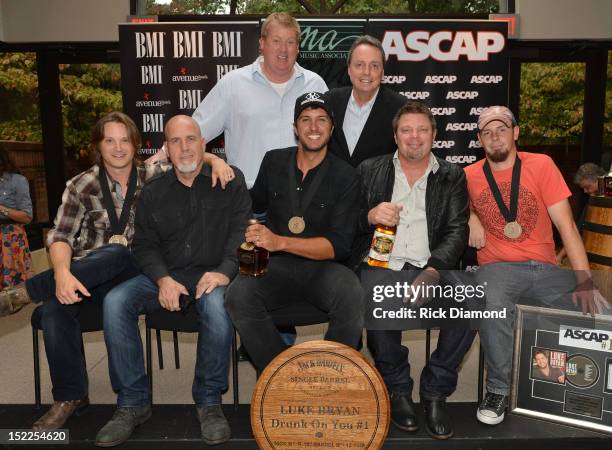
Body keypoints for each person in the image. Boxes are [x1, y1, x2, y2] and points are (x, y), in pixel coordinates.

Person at [0, 111, 231, 432]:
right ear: (98, 145)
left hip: (138, 272)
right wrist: (63, 274)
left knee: (122, 251)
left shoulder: (153, 174)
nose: (119, 148)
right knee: (53, 310)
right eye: (110, 140)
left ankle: (25, 291)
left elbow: (186, 152)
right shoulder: (80, 185)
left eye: (125, 140)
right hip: (85, 279)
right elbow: (60, 236)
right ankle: (70, 398)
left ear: (136, 145)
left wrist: (215, 161)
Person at [97, 115, 251, 447]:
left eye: (191, 139)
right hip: (167, 276)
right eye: (175, 141)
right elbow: (145, 245)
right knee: (115, 301)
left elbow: (242, 234)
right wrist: (163, 279)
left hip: (213, 274)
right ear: (166, 149)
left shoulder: (230, 181)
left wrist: (225, 271)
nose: (184, 148)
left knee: (217, 303)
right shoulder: (153, 192)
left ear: (204, 144)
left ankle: (209, 401)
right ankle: (132, 403)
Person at [465, 105, 609, 426]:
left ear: (516, 133)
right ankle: (498, 390)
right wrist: (470, 216)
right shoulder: (469, 175)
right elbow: (447, 208)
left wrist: (584, 280)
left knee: (601, 312)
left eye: (501, 129)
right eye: (487, 132)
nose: (494, 136)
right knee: (493, 303)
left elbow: (567, 226)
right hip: (498, 267)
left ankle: (599, 392)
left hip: (546, 268)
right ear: (479, 140)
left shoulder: (541, 164)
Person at [350, 102, 474, 440]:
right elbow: (347, 222)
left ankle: (435, 390)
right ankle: (399, 390)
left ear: (434, 135)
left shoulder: (451, 175)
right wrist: (369, 216)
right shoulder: (369, 170)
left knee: (471, 303)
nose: (414, 137)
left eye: (422, 129)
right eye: (406, 130)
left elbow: (456, 231)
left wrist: (433, 270)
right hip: (382, 264)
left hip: (431, 265)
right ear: (395, 135)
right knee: (376, 297)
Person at [225, 92, 363, 372]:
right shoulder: (273, 161)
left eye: (322, 120)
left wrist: (279, 242)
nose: (314, 127)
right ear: (295, 127)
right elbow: (252, 206)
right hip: (277, 267)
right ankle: (282, 373)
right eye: (306, 120)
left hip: (324, 268)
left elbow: (339, 246)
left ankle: (330, 374)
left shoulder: (346, 175)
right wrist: (215, 162)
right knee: (238, 294)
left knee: (352, 293)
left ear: (332, 128)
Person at [192, 12, 328, 189]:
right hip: (247, 198)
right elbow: (191, 135)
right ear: (262, 44)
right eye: (276, 41)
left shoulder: (315, 85)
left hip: (305, 197)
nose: (283, 49)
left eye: (290, 42)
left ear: (298, 48)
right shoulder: (233, 83)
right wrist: (213, 159)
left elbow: (333, 140)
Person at [326, 35, 407, 167]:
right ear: (349, 69)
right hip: (334, 186)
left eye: (374, 66)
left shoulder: (401, 108)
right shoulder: (330, 101)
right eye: (359, 65)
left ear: (382, 72)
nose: (367, 72)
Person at [555, 162, 605, 263]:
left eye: (587, 187)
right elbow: (578, 229)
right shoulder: (592, 202)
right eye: (583, 188)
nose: (585, 191)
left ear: (599, 180)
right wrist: (560, 256)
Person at [0, 148, 33, 296]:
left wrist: (2, 209)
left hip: (10, 238)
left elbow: (27, 216)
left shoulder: (17, 181)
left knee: (14, 290)